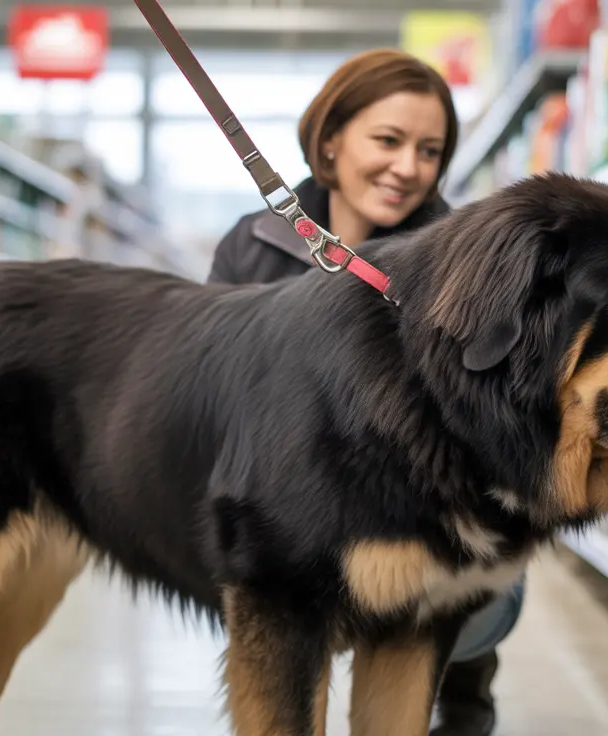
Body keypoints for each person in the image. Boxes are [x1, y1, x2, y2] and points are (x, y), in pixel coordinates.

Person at [206, 47, 524, 736]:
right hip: (298, 515)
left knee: (478, 598)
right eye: (388, 140)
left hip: (419, 527)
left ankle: (463, 704)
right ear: (330, 141)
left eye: (430, 150)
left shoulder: (464, 261)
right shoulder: (253, 245)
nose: (408, 167)